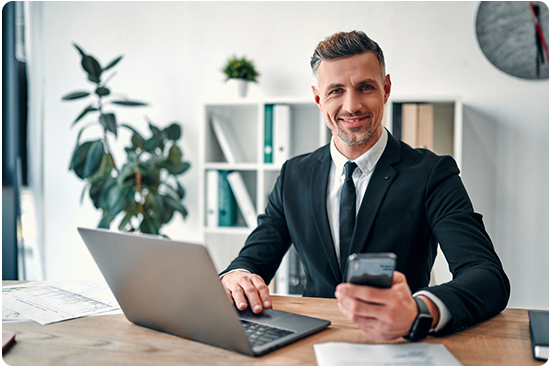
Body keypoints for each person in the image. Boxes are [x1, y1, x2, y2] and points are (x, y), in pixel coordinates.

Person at [220, 30, 510, 340]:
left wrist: (420, 310)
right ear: (318, 98)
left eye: (365, 87)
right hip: (310, 342)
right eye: (335, 91)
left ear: (385, 89)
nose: (352, 105)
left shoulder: (431, 173)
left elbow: (487, 276)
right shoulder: (294, 174)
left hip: (398, 343)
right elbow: (253, 259)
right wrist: (236, 276)